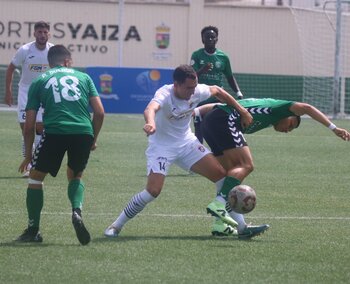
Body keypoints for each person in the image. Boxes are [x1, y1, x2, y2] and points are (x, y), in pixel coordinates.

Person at [104, 64, 254, 238]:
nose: (193, 91)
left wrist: (241, 110)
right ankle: (116, 225)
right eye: (188, 88)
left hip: (187, 143)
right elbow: (150, 108)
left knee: (222, 177)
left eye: (194, 86)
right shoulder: (165, 94)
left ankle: (242, 228)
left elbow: (218, 91)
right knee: (152, 191)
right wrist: (150, 122)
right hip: (162, 147)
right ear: (176, 84)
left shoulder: (196, 90)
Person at [196, 98, 350, 237]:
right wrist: (334, 128)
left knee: (228, 177)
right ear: (288, 114)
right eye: (291, 124)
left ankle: (227, 225)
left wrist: (195, 112)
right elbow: (308, 108)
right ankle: (219, 203)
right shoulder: (280, 108)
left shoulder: (262, 111)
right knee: (246, 165)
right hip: (224, 120)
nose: (288, 130)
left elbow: (217, 105)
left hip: (211, 122)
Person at [15, 45, 105, 245]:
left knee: (36, 178)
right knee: (75, 174)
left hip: (54, 132)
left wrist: (28, 156)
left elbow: (29, 127)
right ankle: (76, 211)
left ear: (50, 63)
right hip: (83, 132)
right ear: (67, 61)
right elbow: (99, 113)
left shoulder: (40, 81)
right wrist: (93, 139)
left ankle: (33, 230)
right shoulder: (84, 78)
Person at [5, 21, 54, 177]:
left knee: (40, 127)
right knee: (26, 129)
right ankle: (28, 161)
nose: (42, 35)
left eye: (45, 32)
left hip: (44, 94)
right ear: (34, 34)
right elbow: (11, 68)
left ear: (49, 34)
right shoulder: (25, 50)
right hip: (26, 92)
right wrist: (8, 91)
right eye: (39, 32)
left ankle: (35, 164)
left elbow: (60, 70)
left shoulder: (53, 51)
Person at [190, 25, 244, 143]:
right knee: (199, 127)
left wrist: (238, 92)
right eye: (207, 37)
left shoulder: (223, 57)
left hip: (217, 97)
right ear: (202, 39)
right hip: (201, 97)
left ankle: (221, 152)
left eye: (212, 37)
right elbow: (191, 76)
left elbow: (229, 76)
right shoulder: (197, 55)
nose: (210, 39)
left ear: (216, 39)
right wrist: (202, 70)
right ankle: (198, 153)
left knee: (218, 126)